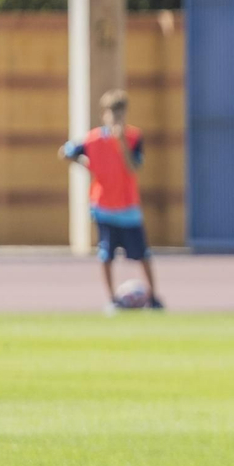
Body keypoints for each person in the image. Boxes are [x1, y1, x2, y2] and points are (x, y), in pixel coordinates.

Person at [60, 90, 163, 312]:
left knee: (142, 253)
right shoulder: (93, 139)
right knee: (106, 255)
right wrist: (87, 164)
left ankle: (154, 298)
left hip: (128, 207)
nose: (117, 117)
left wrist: (122, 143)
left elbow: (133, 167)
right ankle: (111, 300)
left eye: (121, 112)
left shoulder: (134, 137)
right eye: (112, 113)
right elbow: (66, 152)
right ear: (104, 114)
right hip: (103, 206)